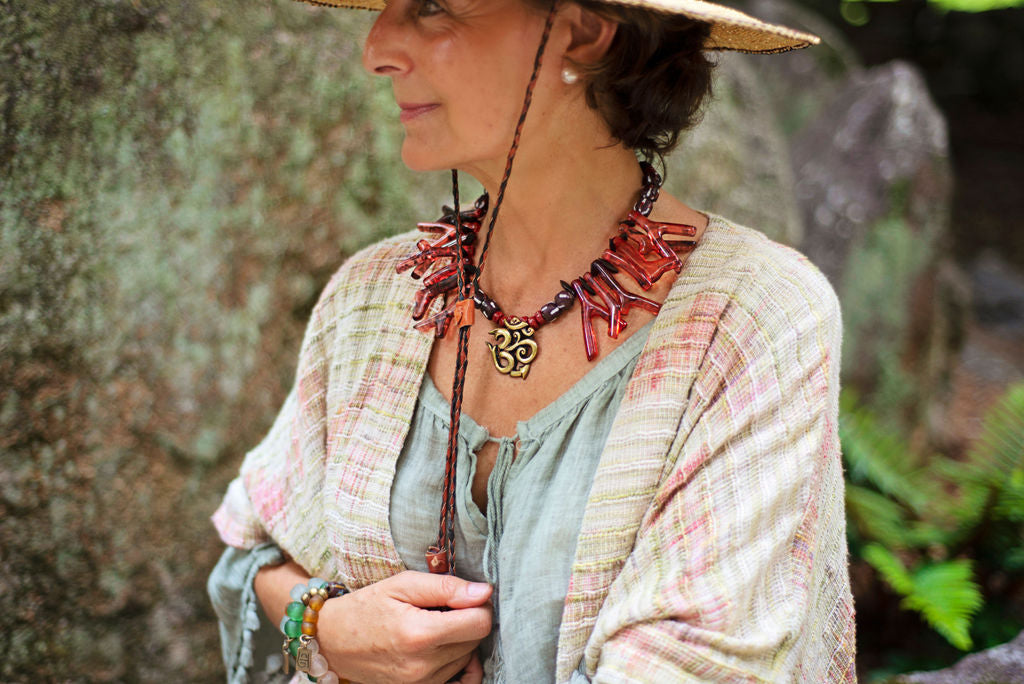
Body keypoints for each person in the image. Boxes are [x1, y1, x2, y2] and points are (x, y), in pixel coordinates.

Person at [208, 0, 857, 681]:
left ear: (582, 29)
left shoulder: (754, 319)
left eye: (432, 7)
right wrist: (327, 625)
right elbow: (252, 558)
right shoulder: (371, 298)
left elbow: (691, 665)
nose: (377, 47)